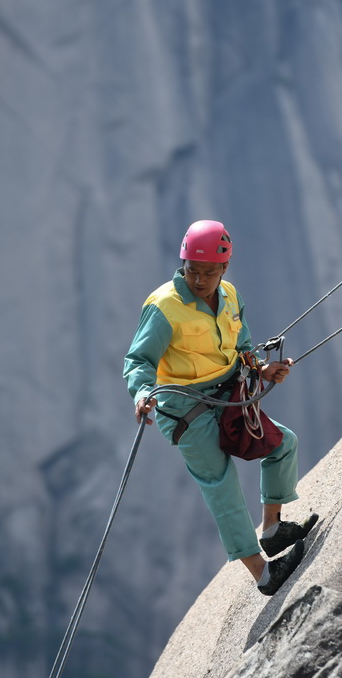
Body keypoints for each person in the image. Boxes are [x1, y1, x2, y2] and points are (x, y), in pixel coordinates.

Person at [123, 220, 318, 596]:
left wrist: (262, 368)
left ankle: (274, 529)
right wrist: (141, 394)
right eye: (193, 270)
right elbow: (138, 361)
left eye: (209, 272)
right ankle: (263, 574)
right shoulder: (164, 307)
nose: (199, 279)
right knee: (221, 486)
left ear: (224, 269)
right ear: (183, 264)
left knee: (283, 444)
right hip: (185, 411)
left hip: (228, 396)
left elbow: (242, 345)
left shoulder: (229, 295)